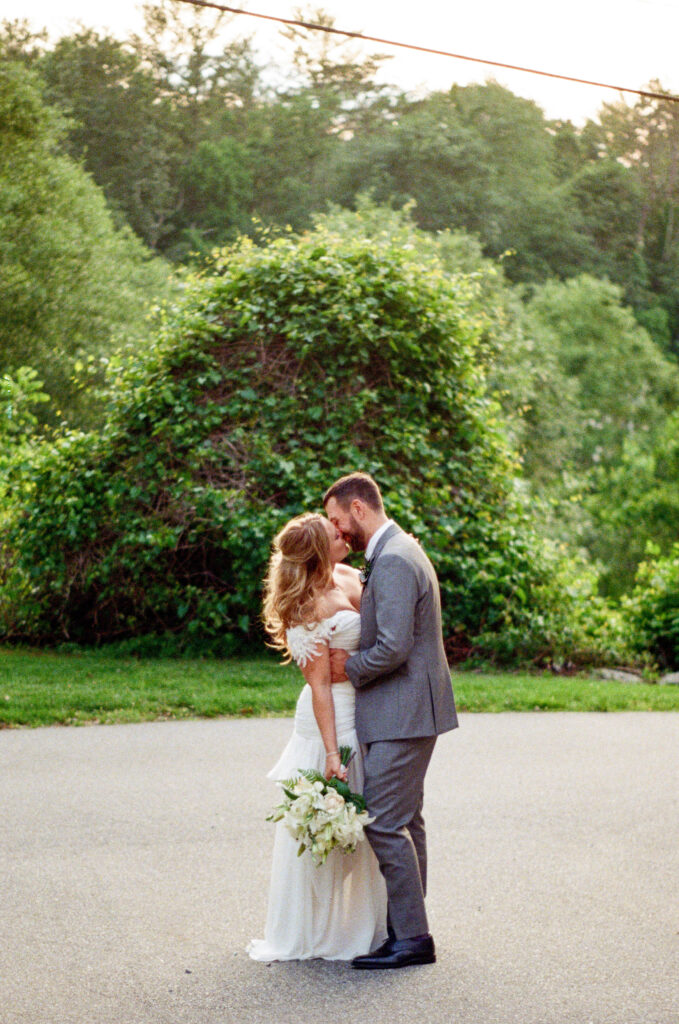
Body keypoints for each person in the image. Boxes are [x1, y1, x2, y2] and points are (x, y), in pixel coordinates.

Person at [324, 472, 458, 970]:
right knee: (406, 821)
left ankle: (413, 940)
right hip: (406, 710)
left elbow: (394, 647)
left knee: (381, 821)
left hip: (403, 711)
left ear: (359, 509)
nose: (339, 531)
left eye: (339, 520)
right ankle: (408, 929)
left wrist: (348, 668)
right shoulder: (395, 551)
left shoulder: (397, 558)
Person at [247, 512, 388, 962]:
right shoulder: (306, 607)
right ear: (317, 551)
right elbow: (320, 686)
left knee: (363, 819)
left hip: (364, 708)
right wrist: (331, 752)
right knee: (328, 820)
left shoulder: (350, 574)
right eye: (333, 534)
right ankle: (312, 929)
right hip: (329, 721)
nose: (343, 533)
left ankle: (361, 924)